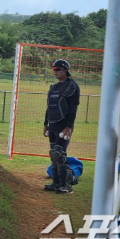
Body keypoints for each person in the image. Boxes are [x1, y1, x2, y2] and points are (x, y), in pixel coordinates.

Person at [43, 59, 80, 194]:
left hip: (63, 125)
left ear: (65, 70)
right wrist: (45, 124)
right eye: (54, 70)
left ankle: (67, 185)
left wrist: (69, 127)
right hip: (52, 125)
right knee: (54, 154)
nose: (55, 72)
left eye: (57, 69)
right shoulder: (54, 87)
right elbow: (49, 107)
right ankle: (56, 183)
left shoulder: (72, 86)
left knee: (59, 153)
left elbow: (72, 108)